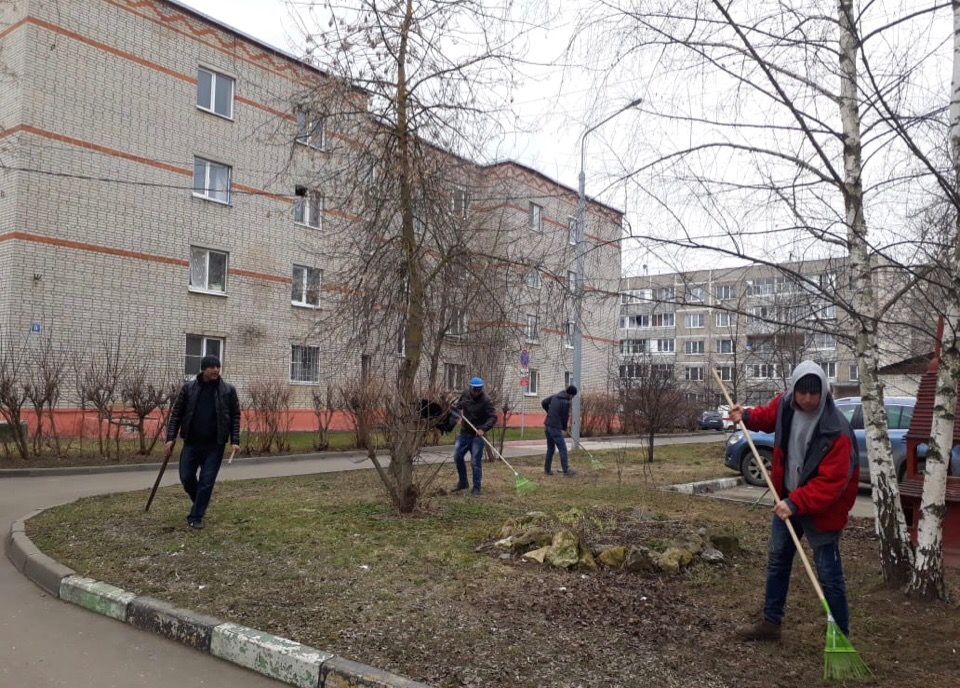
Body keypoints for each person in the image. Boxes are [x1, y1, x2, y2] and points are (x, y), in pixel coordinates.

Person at [728, 361, 858, 641]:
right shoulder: (786, 405)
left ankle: (840, 636)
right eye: (802, 392)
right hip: (787, 498)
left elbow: (831, 483)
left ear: (823, 392)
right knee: (778, 560)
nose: (808, 399)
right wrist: (746, 416)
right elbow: (766, 416)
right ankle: (771, 623)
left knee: (828, 573)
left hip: (822, 509)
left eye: (814, 393)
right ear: (793, 390)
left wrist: (796, 502)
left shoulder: (836, 430)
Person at [164, 355, 241, 530]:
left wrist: (235, 440)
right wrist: (170, 438)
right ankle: (201, 500)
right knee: (186, 477)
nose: (215, 370)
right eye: (211, 367)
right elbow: (177, 414)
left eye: (218, 367)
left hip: (215, 444)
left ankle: (196, 515)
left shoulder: (227, 390)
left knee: (207, 480)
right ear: (203, 369)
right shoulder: (188, 389)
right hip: (192, 442)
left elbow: (235, 415)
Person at [451, 377, 497, 496]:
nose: (476, 392)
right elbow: (458, 407)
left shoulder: (486, 401)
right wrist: (457, 416)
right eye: (475, 389)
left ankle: (476, 488)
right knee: (457, 456)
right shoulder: (465, 394)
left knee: (475, 462)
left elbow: (493, 417)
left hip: (477, 436)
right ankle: (463, 482)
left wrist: (483, 428)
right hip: (464, 433)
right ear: (470, 387)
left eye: (479, 389)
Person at [541, 385, 578, 476]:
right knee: (562, 448)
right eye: (573, 396)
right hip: (555, 427)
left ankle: (547, 470)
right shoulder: (566, 402)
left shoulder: (555, 396)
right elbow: (565, 417)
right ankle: (566, 470)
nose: (572, 398)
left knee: (551, 448)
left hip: (548, 425)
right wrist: (564, 427)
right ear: (571, 394)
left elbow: (544, 402)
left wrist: (549, 412)